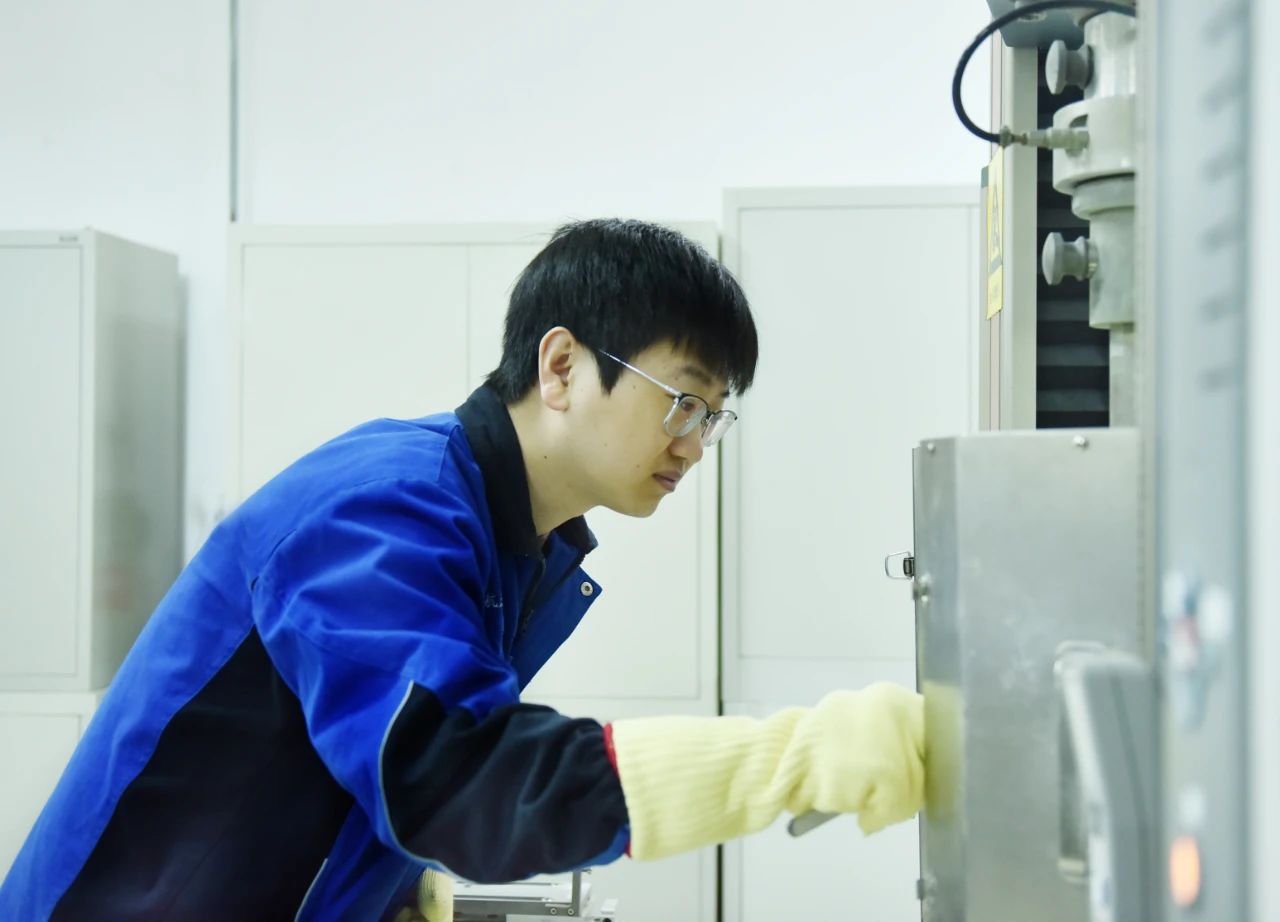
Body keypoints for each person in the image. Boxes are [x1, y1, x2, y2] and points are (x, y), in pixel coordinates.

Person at [0, 219, 924, 921]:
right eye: (682, 400)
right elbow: (458, 778)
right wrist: (791, 759)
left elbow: (377, 766)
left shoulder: (508, 540)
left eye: (713, 418)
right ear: (561, 366)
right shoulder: (383, 510)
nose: (693, 443)